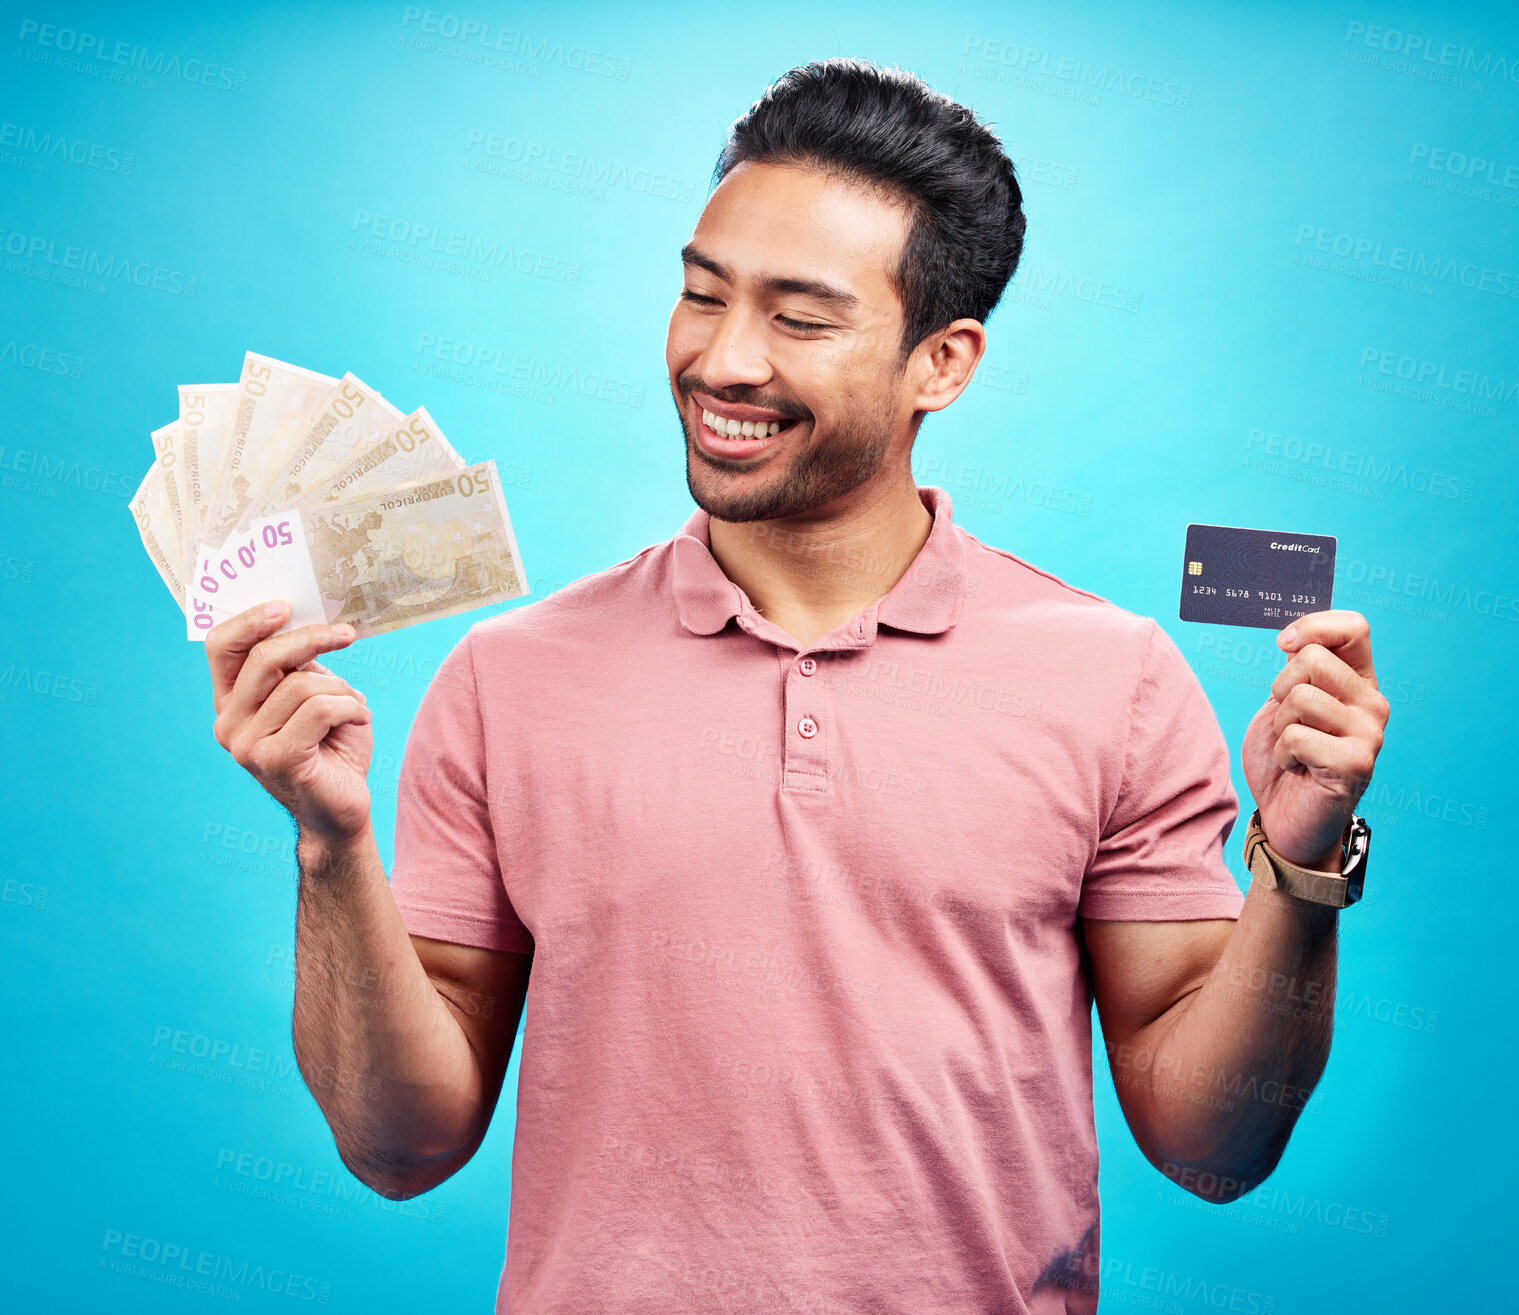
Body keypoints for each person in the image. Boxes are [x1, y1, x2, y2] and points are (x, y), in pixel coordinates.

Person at [205, 59, 1389, 1315]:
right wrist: (331, 847)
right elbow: (399, 1148)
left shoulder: (1115, 676)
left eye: (800, 317)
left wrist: (1300, 870)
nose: (721, 359)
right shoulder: (507, 679)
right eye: (699, 294)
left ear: (942, 361)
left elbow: (1214, 1150)